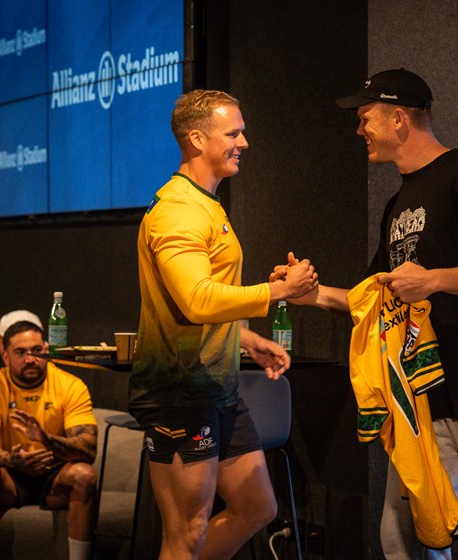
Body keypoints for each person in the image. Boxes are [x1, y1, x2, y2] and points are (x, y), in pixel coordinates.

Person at [275, 68, 458, 559]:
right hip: (429, 398)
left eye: (365, 118)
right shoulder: (398, 203)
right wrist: (315, 294)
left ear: (399, 118)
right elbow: (379, 296)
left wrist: (433, 279)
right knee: (406, 535)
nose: (358, 130)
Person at [127, 88, 318, 560]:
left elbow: (203, 304)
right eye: (233, 133)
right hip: (179, 395)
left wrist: (245, 337)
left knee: (257, 507)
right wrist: (279, 292)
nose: (244, 142)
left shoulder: (207, 204)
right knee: (186, 532)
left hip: (217, 388)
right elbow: (195, 301)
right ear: (196, 139)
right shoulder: (179, 212)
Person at [0, 320, 98, 560]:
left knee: (85, 475)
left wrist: (47, 440)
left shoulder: (71, 385)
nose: (30, 358)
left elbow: (89, 449)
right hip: (10, 478)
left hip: (56, 477)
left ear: (46, 348)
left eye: (37, 351)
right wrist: (11, 459)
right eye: (21, 352)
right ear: (5, 357)